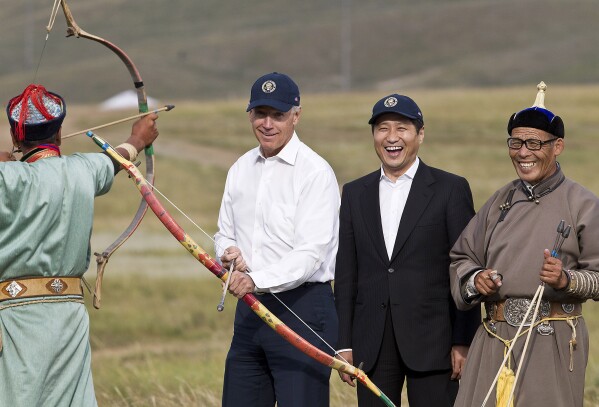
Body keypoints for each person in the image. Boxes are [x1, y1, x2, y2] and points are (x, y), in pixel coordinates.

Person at [0, 84, 159, 406]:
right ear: (58, 134)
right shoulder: (82, 170)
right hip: (67, 317)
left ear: (17, 138)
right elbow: (121, 156)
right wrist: (140, 136)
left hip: (14, 317)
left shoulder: (7, 177)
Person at [450, 82, 599, 407]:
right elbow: (462, 256)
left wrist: (566, 280)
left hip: (553, 339)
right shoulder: (499, 201)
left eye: (534, 143)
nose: (522, 152)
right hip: (493, 339)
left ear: (557, 146)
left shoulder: (583, 203)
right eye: (515, 142)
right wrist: (477, 280)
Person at [334, 93, 481, 406]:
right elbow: (346, 273)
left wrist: (463, 340)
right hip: (372, 344)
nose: (391, 138)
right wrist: (343, 343)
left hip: (435, 342)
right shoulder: (355, 193)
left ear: (420, 134)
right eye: (382, 129)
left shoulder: (450, 189)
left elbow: (466, 268)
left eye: (401, 128)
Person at [214, 72, 340, 406]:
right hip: (250, 312)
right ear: (250, 114)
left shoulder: (315, 172)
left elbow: (310, 254)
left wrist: (254, 279)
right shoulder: (241, 168)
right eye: (260, 114)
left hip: (304, 310)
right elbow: (223, 231)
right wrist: (226, 252)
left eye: (278, 115)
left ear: (296, 116)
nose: (268, 124)